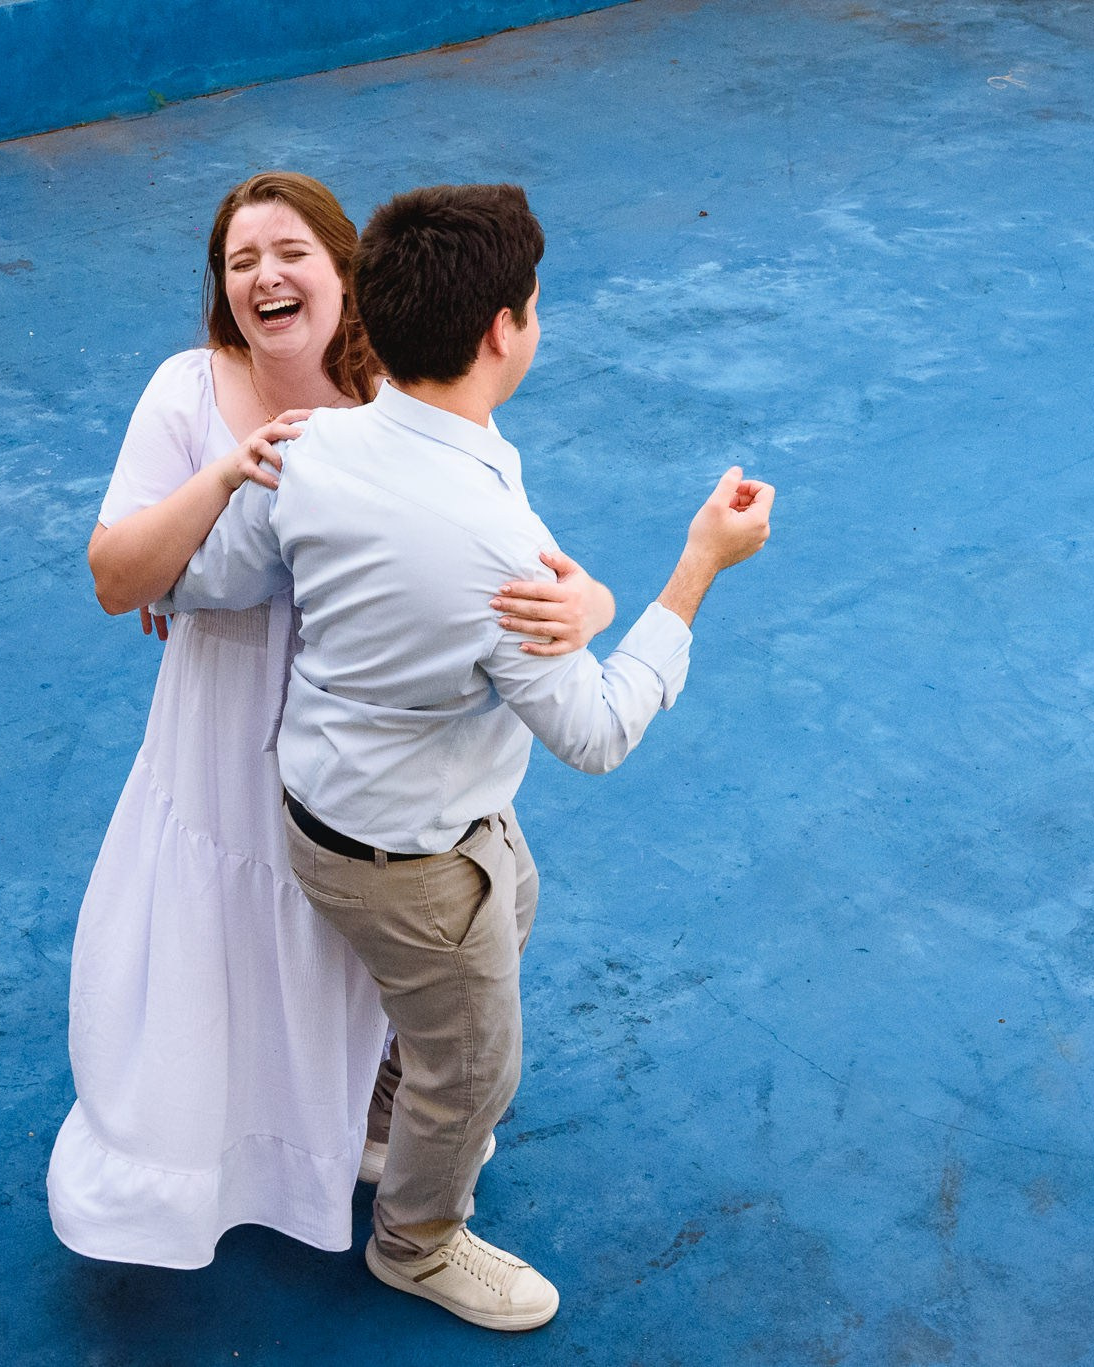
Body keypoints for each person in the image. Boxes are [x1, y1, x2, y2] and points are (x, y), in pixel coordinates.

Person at [156, 183, 775, 1329]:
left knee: (514, 900)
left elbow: (212, 580)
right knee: (477, 1067)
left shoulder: (321, 444)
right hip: (411, 857)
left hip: (336, 805)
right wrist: (696, 568)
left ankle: (385, 1122)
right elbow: (594, 733)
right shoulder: (482, 539)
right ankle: (414, 1235)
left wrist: (570, 591)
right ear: (504, 329)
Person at [47, 172, 613, 1269]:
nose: (264, 273)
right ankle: (240, 1153)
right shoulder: (186, 392)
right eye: (239, 258)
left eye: (289, 249)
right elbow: (120, 575)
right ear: (221, 291)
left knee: (399, 933)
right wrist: (223, 476)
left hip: (361, 727)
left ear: (343, 271)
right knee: (234, 935)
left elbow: (509, 548)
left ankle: (368, 1120)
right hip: (225, 721)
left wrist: (586, 601)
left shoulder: (392, 402)